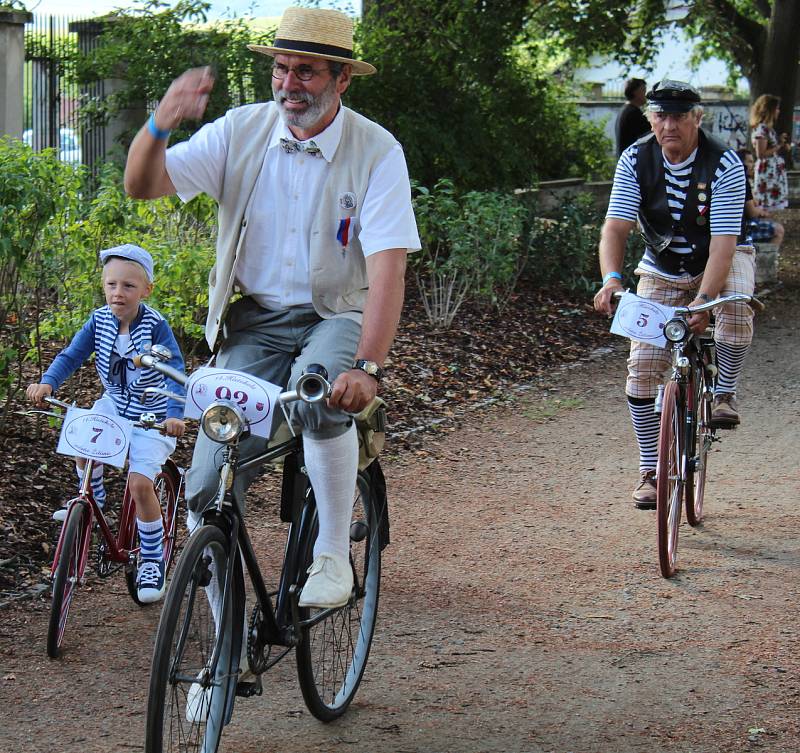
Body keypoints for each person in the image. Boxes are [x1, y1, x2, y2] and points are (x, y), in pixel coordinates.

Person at [124, 7, 420, 610]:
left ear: (342, 79)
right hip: (254, 320)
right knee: (207, 489)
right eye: (282, 69)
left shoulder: (376, 151)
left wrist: (367, 366)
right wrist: (161, 121)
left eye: (306, 72)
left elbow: (389, 264)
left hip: (337, 314)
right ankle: (223, 654)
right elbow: (142, 184)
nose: (288, 85)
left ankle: (333, 553)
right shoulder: (241, 131)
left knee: (320, 394)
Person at [594, 80, 753, 510]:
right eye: (661, 115)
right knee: (642, 369)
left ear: (697, 119)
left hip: (719, 259)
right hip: (661, 267)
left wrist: (703, 300)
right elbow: (616, 227)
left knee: (735, 307)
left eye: (680, 117)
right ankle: (651, 468)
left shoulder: (725, 163)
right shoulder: (635, 158)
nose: (670, 125)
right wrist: (611, 278)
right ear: (650, 119)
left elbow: (723, 243)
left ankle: (724, 392)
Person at [26, 244, 186, 602]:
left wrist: (176, 415)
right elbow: (73, 354)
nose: (119, 293)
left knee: (140, 484)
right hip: (114, 404)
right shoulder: (98, 321)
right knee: (83, 447)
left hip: (152, 413)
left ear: (146, 290)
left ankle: (150, 558)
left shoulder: (156, 327)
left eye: (129, 286)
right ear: (103, 287)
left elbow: (175, 369)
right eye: (112, 285)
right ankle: (91, 505)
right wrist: (49, 381)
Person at [736, 148, 785, 246]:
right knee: (779, 230)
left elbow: (754, 202)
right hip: (741, 229)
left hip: (739, 226)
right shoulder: (742, 181)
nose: (752, 165)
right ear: (741, 163)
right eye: (749, 162)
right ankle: (766, 259)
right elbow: (752, 213)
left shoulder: (741, 179)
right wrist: (763, 213)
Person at [749, 94, 789, 210]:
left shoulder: (768, 128)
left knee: (774, 206)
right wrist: (780, 145)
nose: (778, 111)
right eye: (776, 108)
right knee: (767, 205)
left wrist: (779, 142)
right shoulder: (762, 128)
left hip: (772, 172)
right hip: (767, 173)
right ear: (769, 110)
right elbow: (761, 154)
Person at [615, 78, 651, 156]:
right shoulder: (633, 113)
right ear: (636, 92)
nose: (646, 94)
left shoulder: (625, 110)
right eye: (644, 90)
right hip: (632, 162)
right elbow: (650, 137)